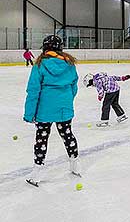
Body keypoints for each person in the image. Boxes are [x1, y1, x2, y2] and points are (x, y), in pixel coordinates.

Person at [23, 35, 80, 187]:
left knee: (42, 138)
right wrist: (66, 101)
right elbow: (74, 87)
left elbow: (33, 91)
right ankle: (74, 165)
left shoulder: (39, 65)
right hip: (64, 108)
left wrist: (29, 114)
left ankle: (37, 173)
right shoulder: (69, 64)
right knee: (67, 134)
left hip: (44, 111)